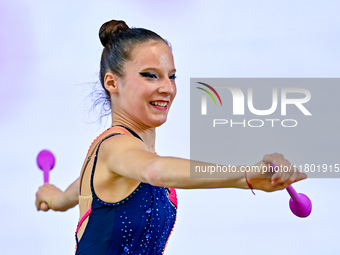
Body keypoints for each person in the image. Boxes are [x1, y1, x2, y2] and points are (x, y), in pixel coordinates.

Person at [35, 19, 307, 254]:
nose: (167, 88)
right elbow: (154, 170)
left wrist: (57, 198)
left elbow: (86, 193)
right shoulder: (116, 146)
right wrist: (246, 174)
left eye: (172, 77)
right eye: (150, 76)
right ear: (112, 82)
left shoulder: (117, 158)